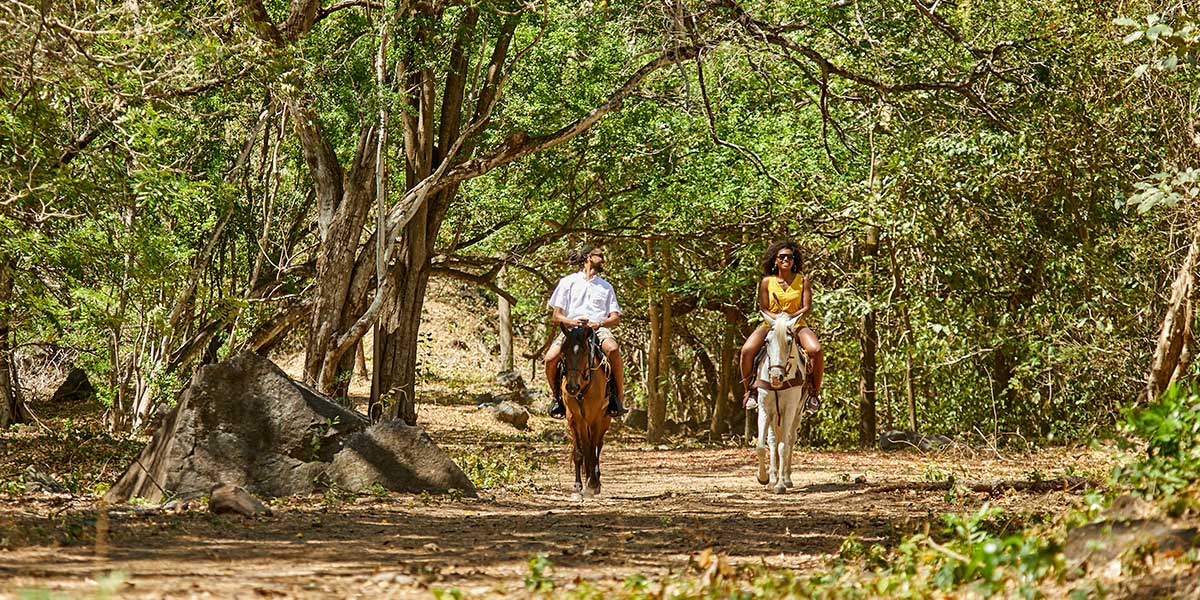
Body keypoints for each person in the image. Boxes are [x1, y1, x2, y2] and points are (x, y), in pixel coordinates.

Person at [544, 244, 628, 419]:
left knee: (612, 349)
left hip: (597, 330)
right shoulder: (567, 282)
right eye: (599, 255)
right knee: (550, 359)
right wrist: (572, 321)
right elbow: (556, 316)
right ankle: (557, 399)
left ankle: (617, 398)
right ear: (588, 257)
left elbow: (615, 317)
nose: (603, 259)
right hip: (571, 330)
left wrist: (600, 323)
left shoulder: (606, 286)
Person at [739, 240, 824, 411]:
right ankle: (750, 392)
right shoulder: (767, 282)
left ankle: (813, 393)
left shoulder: (803, 281)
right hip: (769, 324)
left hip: (796, 324)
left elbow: (806, 308)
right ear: (775, 260)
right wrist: (777, 320)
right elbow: (763, 308)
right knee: (747, 351)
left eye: (790, 257)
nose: (786, 260)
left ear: (794, 260)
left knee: (816, 350)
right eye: (782, 257)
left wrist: (789, 318)